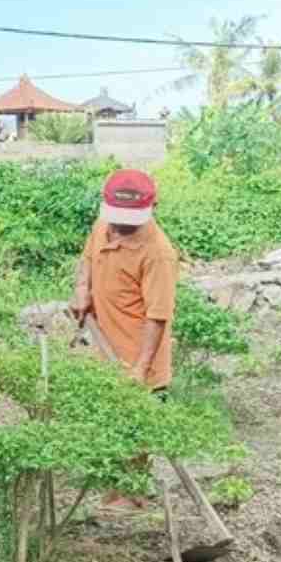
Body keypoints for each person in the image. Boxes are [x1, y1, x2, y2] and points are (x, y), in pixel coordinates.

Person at [67, 167, 183, 508]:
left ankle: (131, 500)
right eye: (115, 217)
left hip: (139, 356)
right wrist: (81, 290)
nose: (118, 226)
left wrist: (140, 367)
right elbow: (87, 260)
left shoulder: (158, 252)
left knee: (135, 435)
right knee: (107, 425)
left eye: (127, 220)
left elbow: (158, 315)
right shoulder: (103, 226)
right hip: (105, 348)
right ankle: (113, 492)